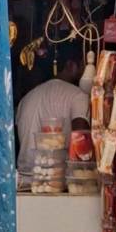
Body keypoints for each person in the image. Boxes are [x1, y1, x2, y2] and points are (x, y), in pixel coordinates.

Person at [16, 40, 90, 185]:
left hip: (23, 182)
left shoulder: (26, 98)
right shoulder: (78, 96)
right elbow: (80, 140)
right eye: (82, 66)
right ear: (70, 65)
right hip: (56, 182)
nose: (83, 71)